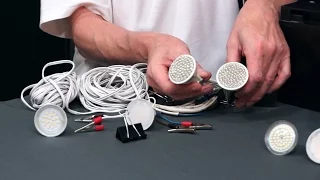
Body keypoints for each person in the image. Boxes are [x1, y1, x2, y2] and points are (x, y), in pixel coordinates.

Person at [40, 0, 295, 107]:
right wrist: (147, 47)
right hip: (116, 103)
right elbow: (83, 26)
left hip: (224, 102)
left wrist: (265, 5)